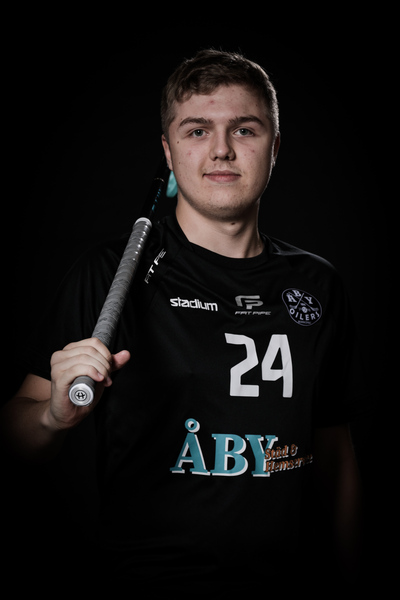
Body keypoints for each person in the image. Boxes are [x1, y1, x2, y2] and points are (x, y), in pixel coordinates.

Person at [1, 49, 366, 591]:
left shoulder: (318, 285)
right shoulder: (112, 274)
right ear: (168, 152)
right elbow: (14, 434)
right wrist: (53, 417)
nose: (221, 149)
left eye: (244, 129)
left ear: (274, 147)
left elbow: (335, 455)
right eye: (197, 130)